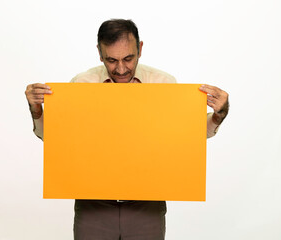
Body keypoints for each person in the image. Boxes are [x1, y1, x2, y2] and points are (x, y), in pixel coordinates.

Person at [25, 19, 229, 240]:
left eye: (128, 58)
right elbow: (56, 139)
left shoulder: (164, 84)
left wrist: (220, 113)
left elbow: (188, 136)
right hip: (93, 205)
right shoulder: (81, 85)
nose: (121, 69)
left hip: (147, 206)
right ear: (99, 53)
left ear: (140, 49)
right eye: (111, 60)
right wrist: (36, 110)